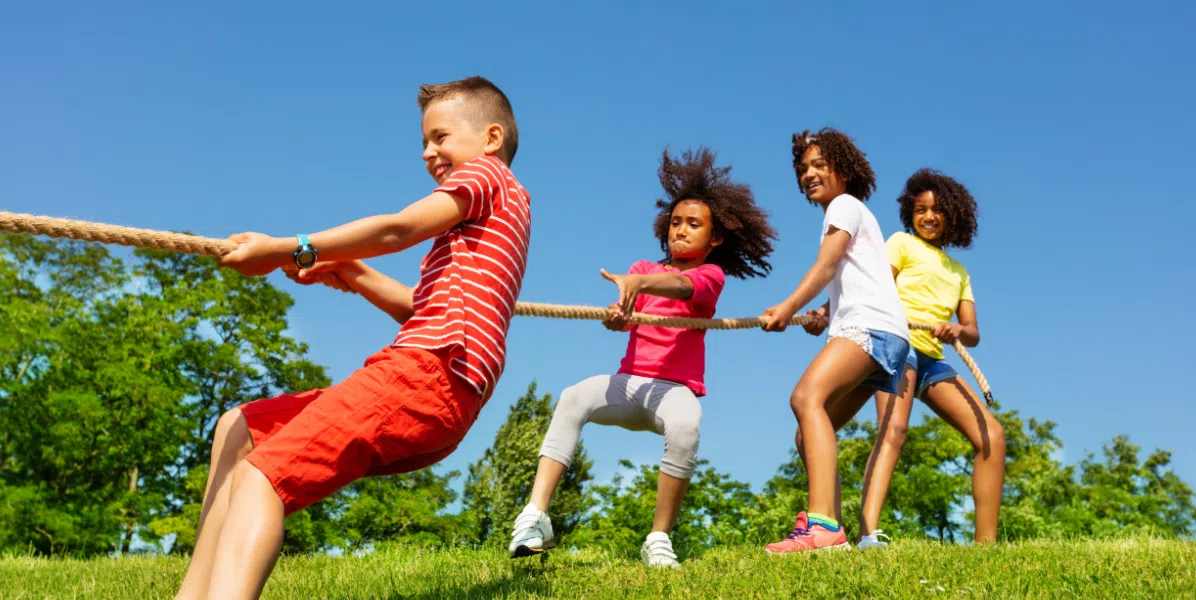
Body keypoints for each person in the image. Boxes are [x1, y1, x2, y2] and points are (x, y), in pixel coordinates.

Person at [175, 76, 531, 600]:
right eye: (424, 142)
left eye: (440, 137)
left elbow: (398, 229)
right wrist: (351, 270)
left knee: (261, 477)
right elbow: (419, 308)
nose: (429, 152)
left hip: (426, 376)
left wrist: (288, 247)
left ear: (491, 139)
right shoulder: (480, 233)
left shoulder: (488, 176)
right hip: (436, 390)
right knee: (241, 428)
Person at [508, 148, 775, 567]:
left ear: (715, 237)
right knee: (573, 396)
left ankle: (658, 538)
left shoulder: (709, 275)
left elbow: (683, 289)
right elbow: (627, 319)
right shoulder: (641, 268)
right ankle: (535, 515)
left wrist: (639, 282)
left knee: (687, 424)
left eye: (693, 224)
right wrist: (618, 316)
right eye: (675, 223)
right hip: (630, 385)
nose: (681, 231)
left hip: (673, 392)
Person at [760, 128, 910, 554]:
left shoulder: (843, 206)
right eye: (803, 169)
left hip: (871, 329)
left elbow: (826, 266)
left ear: (843, 169)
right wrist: (823, 316)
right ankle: (834, 537)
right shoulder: (856, 214)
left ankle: (823, 524)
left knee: (805, 397)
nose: (809, 174)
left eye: (819, 165)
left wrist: (788, 306)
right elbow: (856, 278)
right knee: (808, 432)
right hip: (881, 335)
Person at [855, 169, 1004, 549]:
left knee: (992, 435)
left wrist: (956, 329)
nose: (929, 217)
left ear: (953, 216)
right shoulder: (901, 243)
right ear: (910, 212)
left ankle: (987, 547)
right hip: (898, 346)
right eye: (921, 209)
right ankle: (868, 534)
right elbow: (875, 287)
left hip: (933, 359)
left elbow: (973, 331)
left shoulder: (959, 272)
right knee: (894, 431)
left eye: (938, 211)